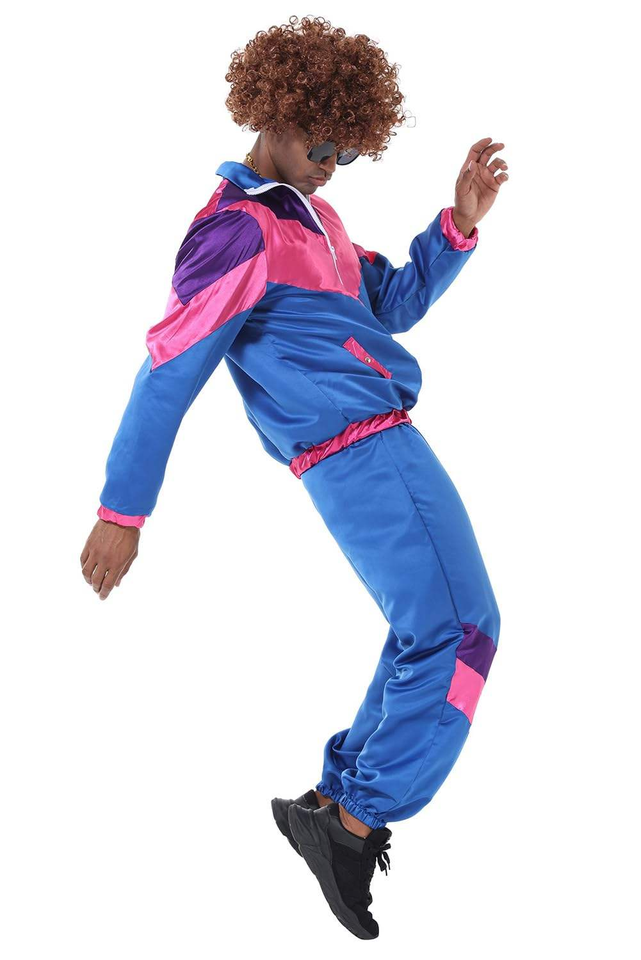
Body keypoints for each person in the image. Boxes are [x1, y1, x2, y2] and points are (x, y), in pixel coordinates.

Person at [79, 15, 508, 940]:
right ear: (271, 115)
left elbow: (387, 303)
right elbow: (167, 373)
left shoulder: (310, 217)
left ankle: (336, 799)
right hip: (360, 453)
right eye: (320, 148)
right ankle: (352, 825)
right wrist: (123, 510)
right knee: (464, 631)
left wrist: (457, 226)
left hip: (379, 444)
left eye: (347, 154)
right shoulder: (235, 233)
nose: (330, 168)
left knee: (429, 628)